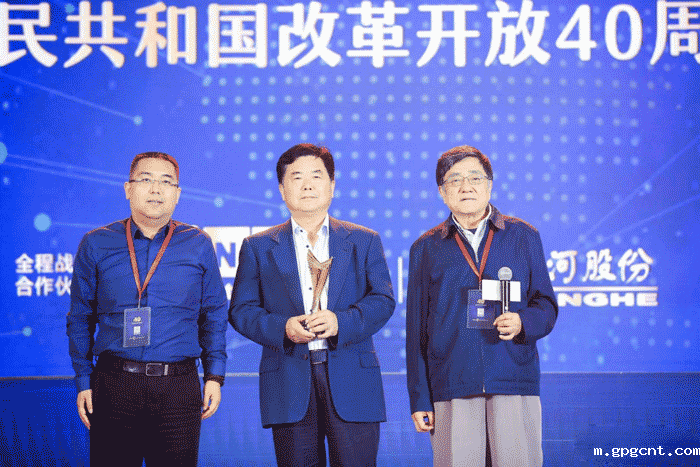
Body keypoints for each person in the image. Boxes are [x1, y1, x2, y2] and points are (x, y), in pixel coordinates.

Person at [229, 143, 395, 466]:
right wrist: (283, 328)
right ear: (282, 189)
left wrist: (341, 322)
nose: (307, 185)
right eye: (296, 177)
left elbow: (383, 300)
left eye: (316, 176)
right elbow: (241, 310)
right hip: (289, 381)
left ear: (332, 185)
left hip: (352, 379)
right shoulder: (258, 246)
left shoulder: (364, 240)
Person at [67, 151, 228, 467]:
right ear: (128, 189)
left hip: (178, 387)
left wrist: (214, 375)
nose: (156, 189)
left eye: (166, 182)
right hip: (115, 384)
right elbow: (80, 317)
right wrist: (84, 380)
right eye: (146, 180)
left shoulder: (198, 243)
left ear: (177, 194)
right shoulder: (96, 243)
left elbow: (214, 312)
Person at [406, 145, 558, 467]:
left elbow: (546, 305)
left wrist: (522, 322)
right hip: (452, 383)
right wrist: (420, 398)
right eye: (455, 179)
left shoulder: (523, 236)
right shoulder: (426, 248)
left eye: (475, 178)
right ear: (442, 192)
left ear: (489, 185)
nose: (466, 186)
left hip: (512, 377)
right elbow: (416, 331)